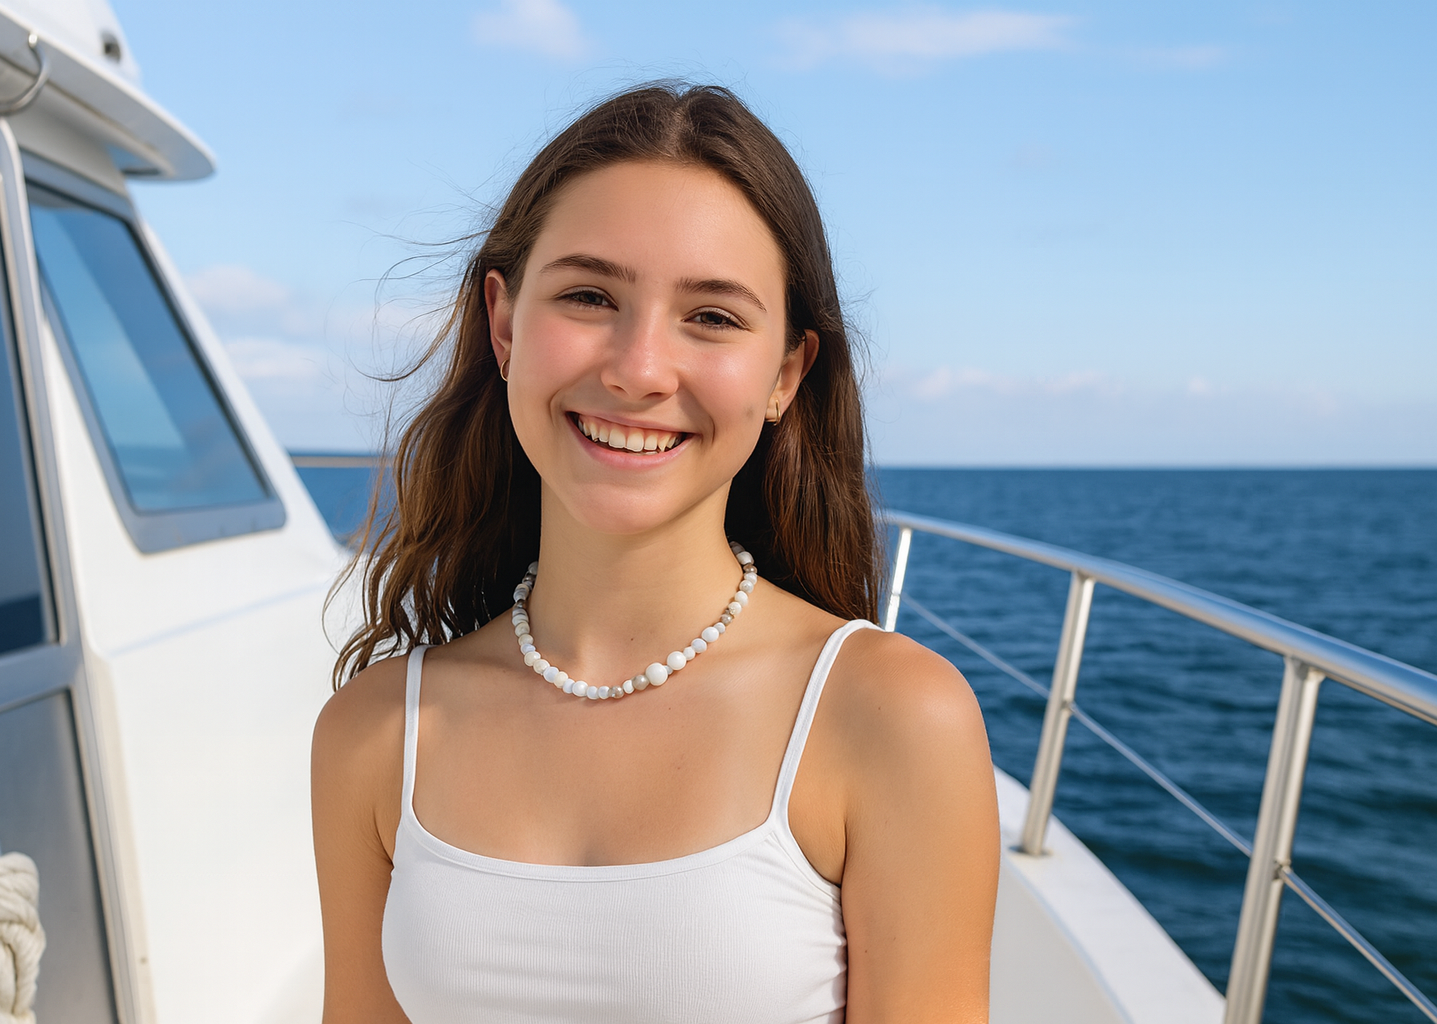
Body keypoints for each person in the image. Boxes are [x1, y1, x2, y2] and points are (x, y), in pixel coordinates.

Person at [311, 83, 1000, 1024]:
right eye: (591, 296)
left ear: (785, 375)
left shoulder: (889, 718)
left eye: (712, 316)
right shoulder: (375, 732)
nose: (638, 369)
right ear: (505, 326)